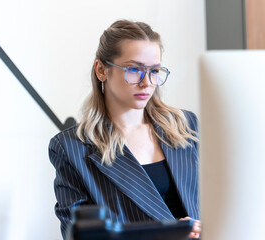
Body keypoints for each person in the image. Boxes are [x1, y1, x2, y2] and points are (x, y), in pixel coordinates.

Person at [48, 20, 201, 239]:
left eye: (154, 71)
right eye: (134, 69)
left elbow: (220, 203)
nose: (146, 82)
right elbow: (79, 236)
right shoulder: (71, 148)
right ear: (101, 70)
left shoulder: (186, 126)